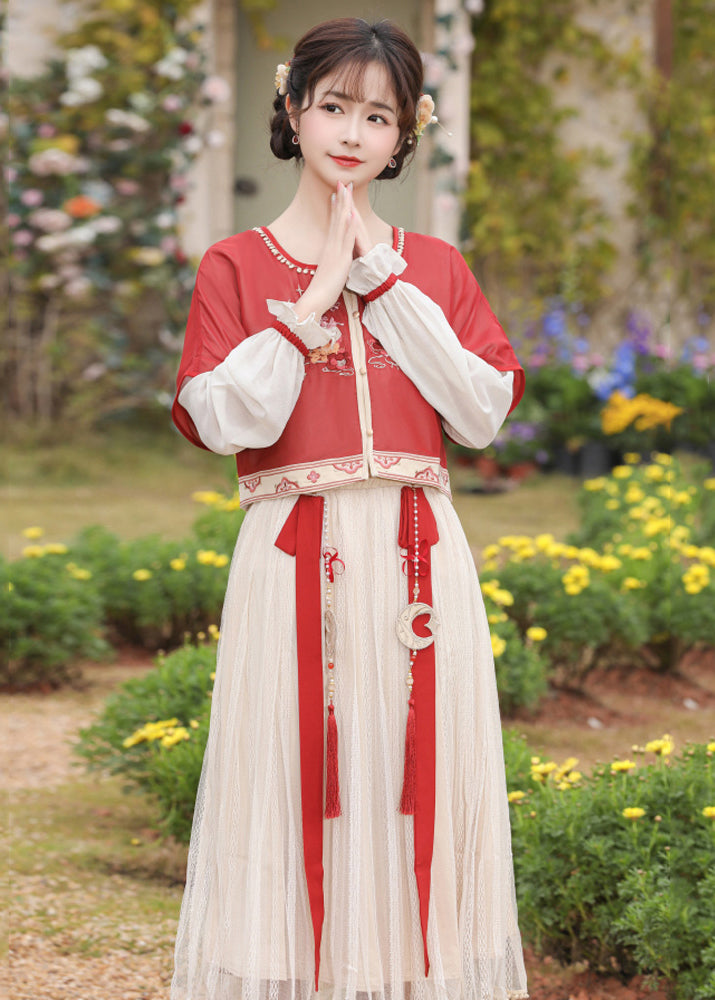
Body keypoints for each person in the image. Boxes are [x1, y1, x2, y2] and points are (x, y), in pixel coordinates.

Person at [170, 16, 529, 1000]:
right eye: (333, 105)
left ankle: (412, 975)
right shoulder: (235, 267)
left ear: (403, 134)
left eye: (379, 114)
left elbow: (481, 410)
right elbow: (224, 415)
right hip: (294, 551)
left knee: (417, 767)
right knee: (297, 767)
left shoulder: (435, 267)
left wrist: (379, 279)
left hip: (417, 547)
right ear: (293, 109)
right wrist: (315, 294)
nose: (352, 131)